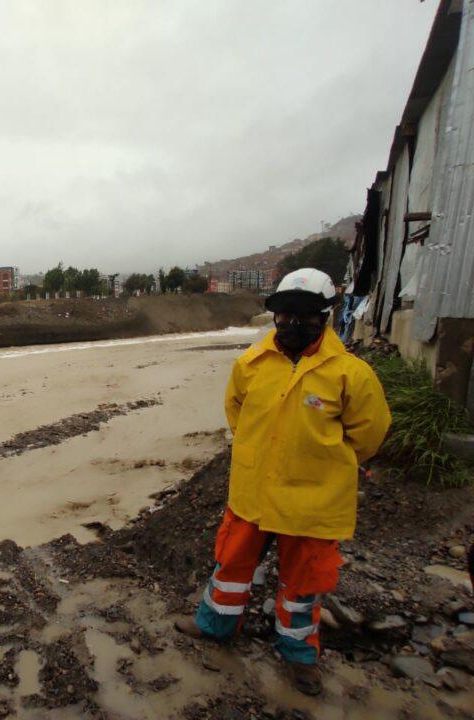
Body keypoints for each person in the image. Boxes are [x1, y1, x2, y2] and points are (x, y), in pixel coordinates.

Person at [175, 268, 391, 696]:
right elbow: (236, 412)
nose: (293, 323)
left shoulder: (351, 374)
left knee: (303, 584)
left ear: (326, 316)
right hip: (252, 494)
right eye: (285, 314)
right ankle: (215, 627)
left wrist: (319, 461)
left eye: (305, 316)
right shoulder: (251, 364)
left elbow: (368, 434)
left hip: (314, 500)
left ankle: (298, 656)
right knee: (231, 568)